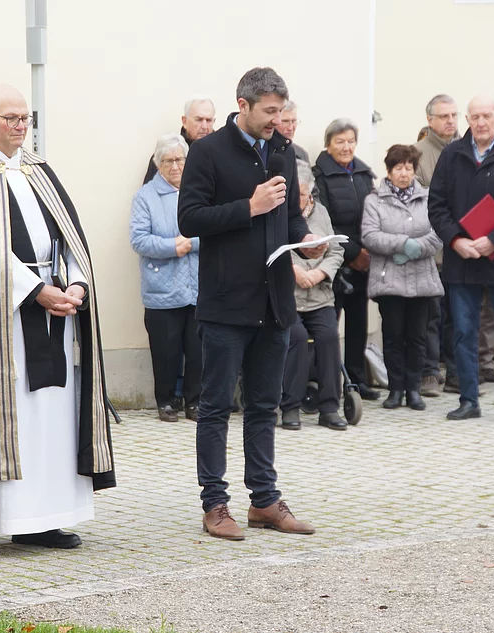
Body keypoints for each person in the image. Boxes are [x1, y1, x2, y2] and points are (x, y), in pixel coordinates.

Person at [0, 84, 116, 558]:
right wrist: (34, 291)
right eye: (9, 117)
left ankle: (41, 519)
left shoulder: (37, 169)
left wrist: (75, 284)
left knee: (50, 420)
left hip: (55, 316)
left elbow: (68, 236)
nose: (19, 125)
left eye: (24, 117)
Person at [178, 67, 324, 540]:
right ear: (242, 105)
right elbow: (191, 217)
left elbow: (287, 219)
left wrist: (306, 241)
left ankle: (264, 500)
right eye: (269, 111)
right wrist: (248, 207)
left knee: (265, 406)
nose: (277, 120)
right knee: (217, 407)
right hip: (226, 304)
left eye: (282, 111)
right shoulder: (206, 152)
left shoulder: (282, 151)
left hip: (275, 302)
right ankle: (215, 505)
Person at [428, 95, 494, 426]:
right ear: (467, 118)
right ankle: (469, 399)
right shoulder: (452, 154)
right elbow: (437, 205)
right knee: (463, 332)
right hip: (463, 258)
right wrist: (456, 240)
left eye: (487, 116)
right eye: (475, 116)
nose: (480, 122)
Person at [361, 145, 444, 411]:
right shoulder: (374, 200)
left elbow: (438, 232)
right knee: (394, 336)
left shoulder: (428, 198)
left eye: (409, 167)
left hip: (421, 279)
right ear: (389, 170)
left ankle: (414, 389)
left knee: (418, 337)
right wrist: (402, 244)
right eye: (399, 168)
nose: (404, 173)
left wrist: (416, 249)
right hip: (390, 280)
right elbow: (370, 235)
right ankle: (395, 389)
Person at [129, 134, 201, 423]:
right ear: (158, 165)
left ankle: (196, 402)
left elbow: (217, 230)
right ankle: (166, 401)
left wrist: (191, 243)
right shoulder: (145, 196)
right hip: (162, 287)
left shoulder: (200, 192)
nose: (175, 166)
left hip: (197, 284)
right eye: (168, 161)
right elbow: (139, 239)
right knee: (166, 350)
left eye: (180, 160)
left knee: (198, 350)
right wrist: (173, 246)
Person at [313, 118, 380, 401]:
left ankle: (356, 380)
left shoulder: (364, 173)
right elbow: (323, 220)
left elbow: (374, 215)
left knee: (358, 323)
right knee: (329, 325)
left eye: (350, 141)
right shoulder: (320, 176)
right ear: (328, 145)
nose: (346, 146)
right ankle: (326, 383)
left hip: (364, 260)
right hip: (334, 261)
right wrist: (353, 253)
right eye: (339, 141)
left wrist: (366, 251)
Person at [280, 160, 346, 431]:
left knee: (329, 336)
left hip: (319, 294)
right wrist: (294, 272)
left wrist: (320, 274)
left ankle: (330, 407)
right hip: (289, 296)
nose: (299, 200)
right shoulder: (277, 214)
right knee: (295, 338)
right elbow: (268, 252)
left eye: (303, 194)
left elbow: (336, 250)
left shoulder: (321, 213)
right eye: (294, 194)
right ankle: (290, 406)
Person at [413, 95, 458, 398]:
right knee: (431, 316)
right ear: (429, 120)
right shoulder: (417, 154)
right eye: (443, 116)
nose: (450, 121)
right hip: (431, 250)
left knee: (460, 315)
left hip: (461, 247)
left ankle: (457, 373)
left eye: (454, 115)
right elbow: (416, 202)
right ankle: (430, 372)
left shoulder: (467, 152)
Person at [142, 96, 215, 184]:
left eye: (208, 120)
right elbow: (149, 194)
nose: (204, 126)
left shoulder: (222, 151)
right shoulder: (167, 154)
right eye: (199, 120)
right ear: (184, 121)